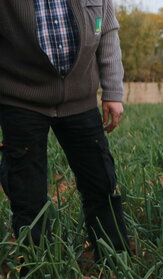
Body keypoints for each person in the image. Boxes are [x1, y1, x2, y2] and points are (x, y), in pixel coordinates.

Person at [0, 0, 129, 258]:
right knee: (27, 191)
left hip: (80, 100)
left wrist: (113, 91)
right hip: (20, 98)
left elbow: (107, 33)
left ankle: (115, 259)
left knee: (100, 181)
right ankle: (38, 266)